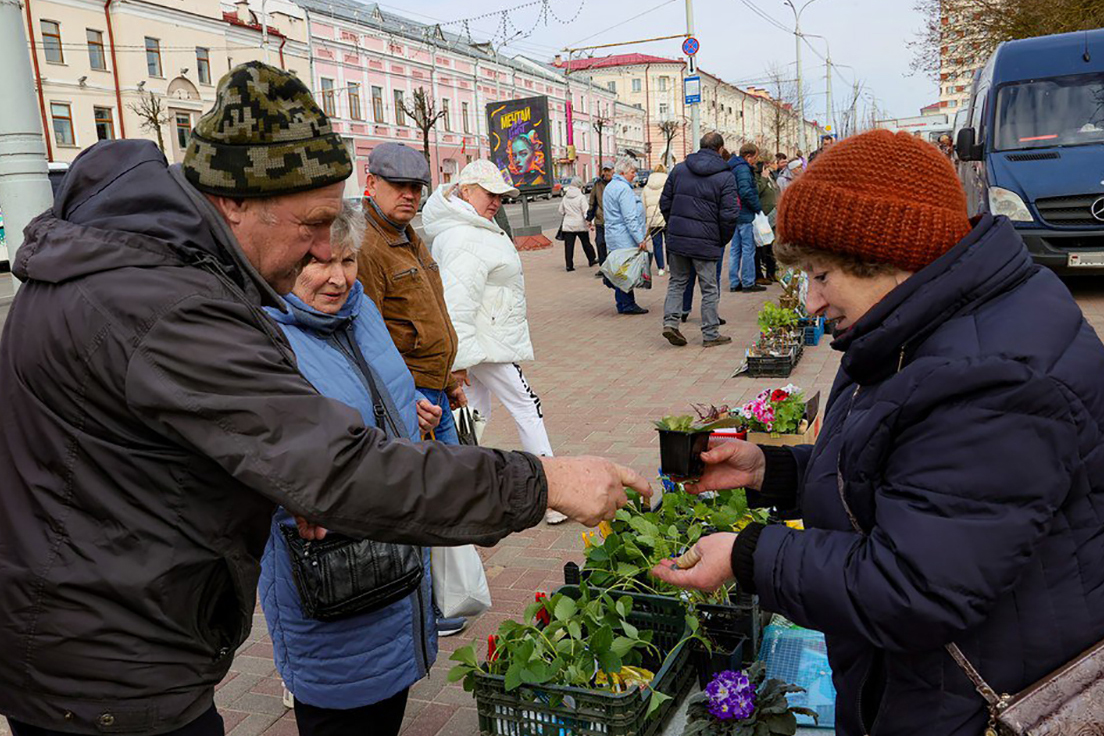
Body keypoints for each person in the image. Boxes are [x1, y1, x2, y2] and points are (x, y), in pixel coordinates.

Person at [0, 62, 650, 736]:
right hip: (106, 666)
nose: (322, 251)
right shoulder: (163, 302)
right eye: (310, 225)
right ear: (233, 201)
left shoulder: (149, 267)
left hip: (102, 636)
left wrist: (271, 484)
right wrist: (542, 481)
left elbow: (135, 445)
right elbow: (342, 470)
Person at [653, 129, 1104, 736]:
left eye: (821, 276)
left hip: (977, 699)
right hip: (943, 680)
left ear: (887, 257)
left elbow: (914, 588)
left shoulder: (991, 379)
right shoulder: (930, 325)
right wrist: (773, 470)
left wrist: (748, 554)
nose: (810, 303)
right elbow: (911, 477)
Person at [259, 202, 438, 735]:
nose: (338, 278)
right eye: (320, 263)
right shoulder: (264, 337)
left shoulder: (360, 310)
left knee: (386, 706)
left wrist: (411, 415)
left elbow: (373, 396)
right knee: (343, 711)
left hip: (394, 553)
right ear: (287, 259)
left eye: (348, 260)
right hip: (333, 568)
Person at [358, 142, 469, 635]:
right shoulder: (366, 246)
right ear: (371, 183)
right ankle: (424, 606)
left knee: (448, 497)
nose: (409, 195)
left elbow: (431, 315)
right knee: (423, 503)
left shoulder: (407, 236)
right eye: (398, 186)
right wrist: (408, 399)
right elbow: (369, 337)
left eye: (416, 187)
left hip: (435, 390)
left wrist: (451, 380)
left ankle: (440, 595)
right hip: (413, 399)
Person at [423, 160, 567, 525]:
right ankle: (552, 495)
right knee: (525, 405)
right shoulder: (464, 236)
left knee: (472, 416)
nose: (497, 202)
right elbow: (456, 303)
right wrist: (459, 361)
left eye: (501, 196)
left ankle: (461, 492)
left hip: (482, 341)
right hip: (484, 343)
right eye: (490, 194)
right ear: (465, 190)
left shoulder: (473, 228)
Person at [659, 132, 739, 348]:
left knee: (677, 282)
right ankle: (710, 333)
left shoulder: (679, 169)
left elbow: (664, 203)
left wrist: (674, 225)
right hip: (706, 240)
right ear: (720, 149)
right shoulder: (725, 176)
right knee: (709, 288)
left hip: (678, 239)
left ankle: (670, 323)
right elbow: (730, 214)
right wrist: (721, 238)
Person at [602, 156, 649, 315]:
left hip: (614, 235)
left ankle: (623, 302)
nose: (634, 175)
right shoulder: (623, 189)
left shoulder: (611, 186)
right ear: (623, 172)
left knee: (621, 268)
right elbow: (630, 217)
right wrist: (640, 239)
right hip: (624, 237)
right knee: (625, 271)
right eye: (632, 171)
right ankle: (627, 303)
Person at [728, 142, 765, 293]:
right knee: (748, 249)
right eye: (755, 157)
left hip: (735, 213)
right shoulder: (743, 169)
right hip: (745, 214)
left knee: (735, 250)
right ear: (748, 156)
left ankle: (734, 282)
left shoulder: (733, 167)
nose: (756, 161)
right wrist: (757, 207)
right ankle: (748, 282)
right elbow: (745, 192)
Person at [558, 176, 597, 271]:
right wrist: (590, 223)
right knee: (586, 243)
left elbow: (561, 211)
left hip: (568, 224)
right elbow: (585, 211)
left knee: (569, 246)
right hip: (580, 224)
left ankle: (569, 265)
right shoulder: (581, 197)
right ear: (580, 186)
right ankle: (591, 259)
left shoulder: (565, 197)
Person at [754, 160, 780, 282]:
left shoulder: (770, 176)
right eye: (768, 163)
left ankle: (771, 272)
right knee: (761, 247)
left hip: (772, 215)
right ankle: (759, 274)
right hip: (762, 217)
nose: (771, 165)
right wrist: (763, 179)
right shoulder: (758, 177)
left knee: (771, 245)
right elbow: (756, 192)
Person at [641, 163, 668, 276]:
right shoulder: (668, 184)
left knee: (657, 244)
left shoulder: (647, 187)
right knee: (669, 243)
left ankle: (661, 267)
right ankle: (671, 264)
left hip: (652, 221)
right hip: (666, 218)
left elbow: (643, 206)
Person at [587, 166, 613, 273]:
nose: (606, 173)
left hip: (613, 220)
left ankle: (613, 266)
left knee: (612, 244)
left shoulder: (616, 183)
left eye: (609, 171)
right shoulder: (597, 184)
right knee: (600, 242)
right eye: (605, 170)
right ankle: (603, 267)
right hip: (600, 219)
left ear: (613, 171)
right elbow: (592, 201)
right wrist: (589, 218)